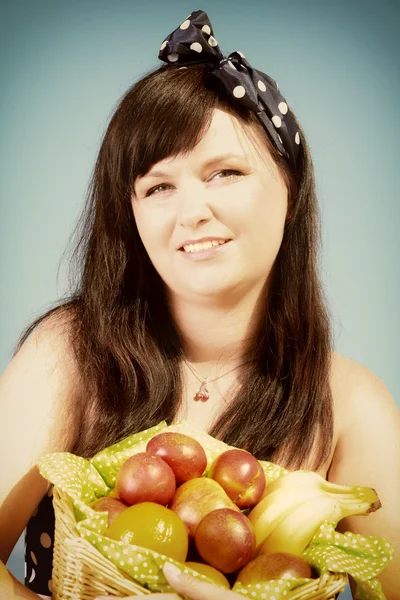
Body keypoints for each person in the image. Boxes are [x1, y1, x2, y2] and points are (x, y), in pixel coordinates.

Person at [0, 9, 399, 600]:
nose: (192, 212)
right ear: (131, 214)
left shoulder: (350, 403)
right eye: (159, 186)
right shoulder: (71, 351)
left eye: (225, 173)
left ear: (290, 190)